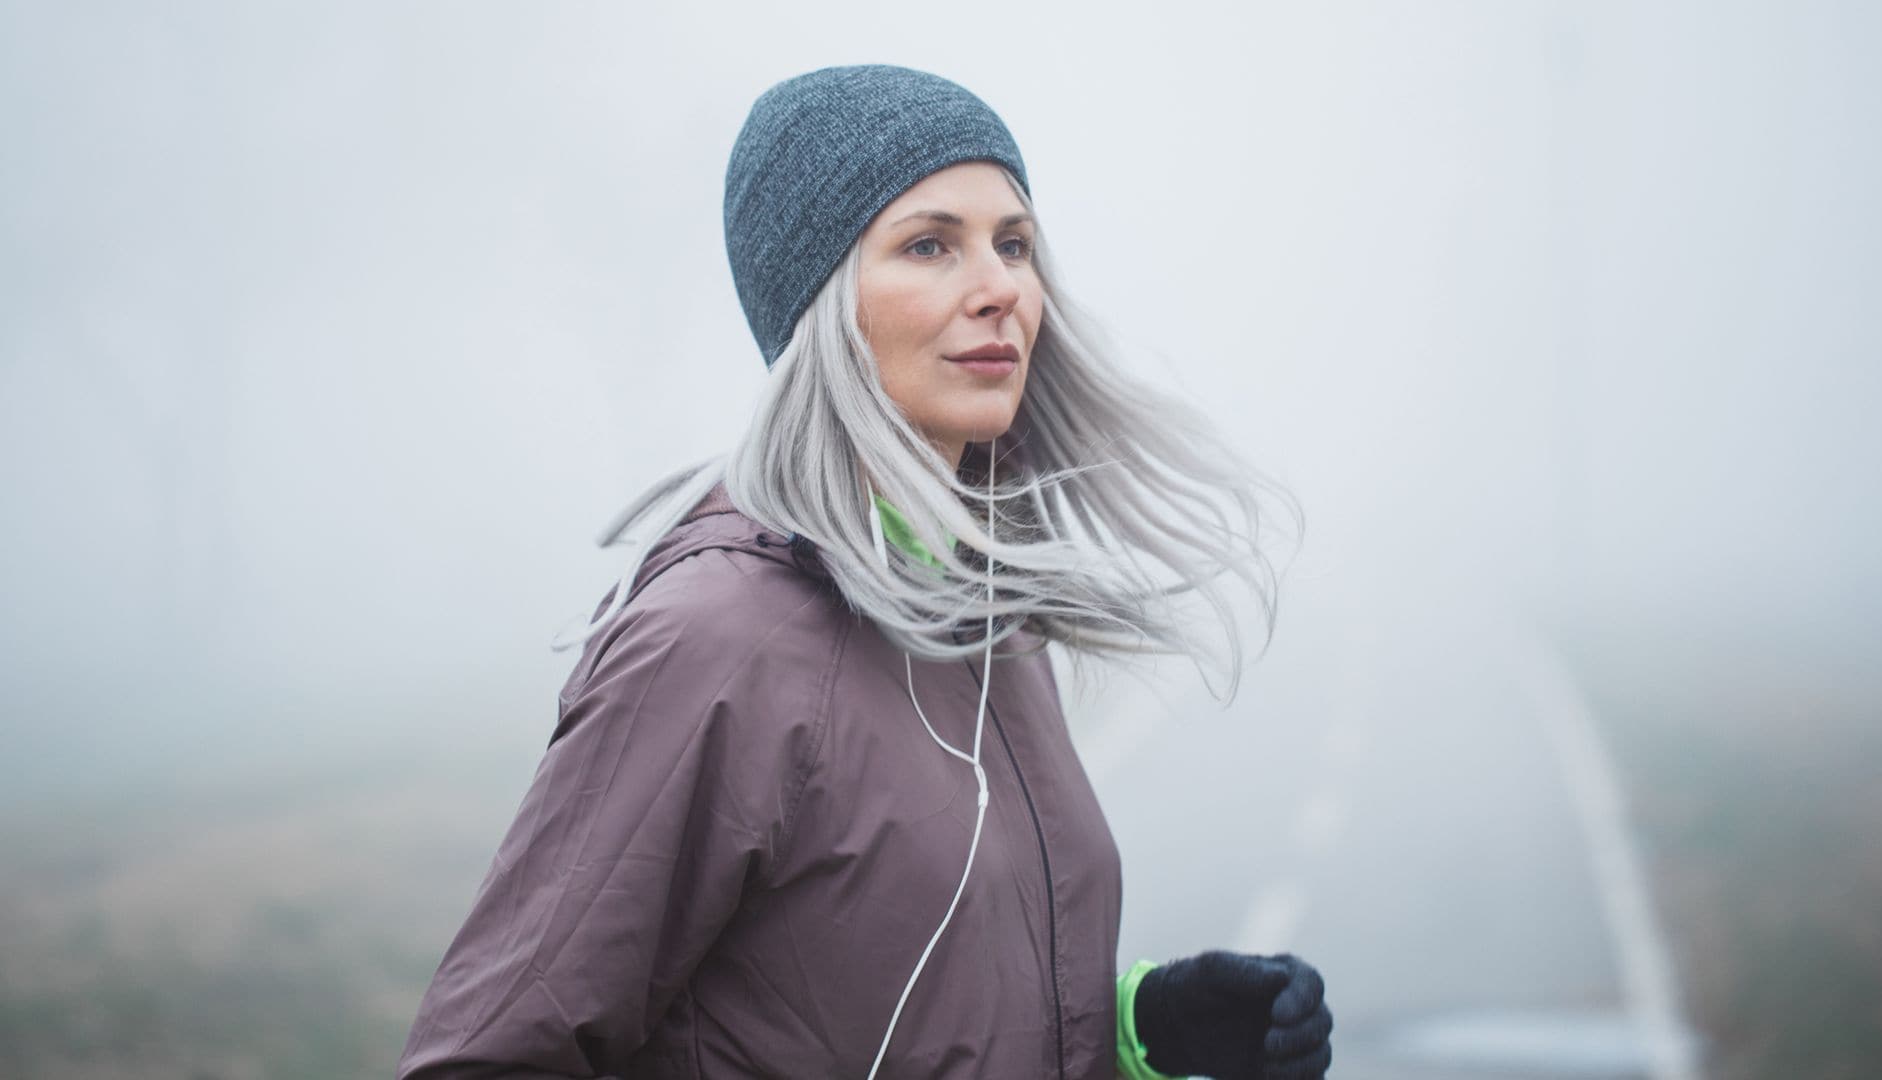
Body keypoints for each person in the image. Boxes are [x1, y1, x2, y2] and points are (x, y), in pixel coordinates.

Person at [396, 64, 1331, 1080]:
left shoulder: (985, 612)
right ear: (821, 304)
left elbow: (886, 1002)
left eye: (1013, 245)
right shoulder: (717, 639)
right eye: (931, 244)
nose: (1000, 288)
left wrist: (1143, 1030)